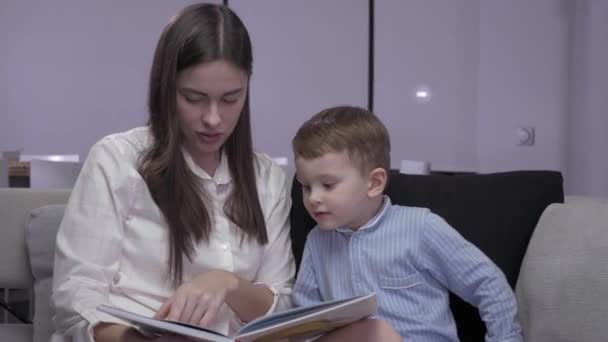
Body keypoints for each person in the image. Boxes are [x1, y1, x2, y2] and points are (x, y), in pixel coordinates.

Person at [51, 4, 295, 342]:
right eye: (193, 98)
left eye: (230, 99)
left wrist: (227, 283)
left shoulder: (266, 177)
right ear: (167, 87)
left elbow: (283, 306)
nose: (213, 119)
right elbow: (76, 295)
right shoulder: (117, 159)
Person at [291, 106, 524, 341]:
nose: (313, 198)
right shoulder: (317, 241)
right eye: (306, 186)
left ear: (374, 183)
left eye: (328, 185)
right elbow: (305, 322)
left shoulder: (420, 228)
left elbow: (488, 284)